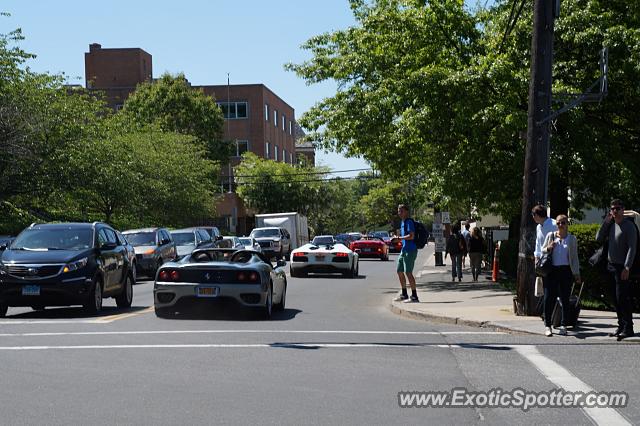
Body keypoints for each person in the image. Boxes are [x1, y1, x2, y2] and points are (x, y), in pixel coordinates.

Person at [596, 199, 638, 341]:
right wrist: (606, 222)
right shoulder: (611, 225)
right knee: (614, 298)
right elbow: (598, 238)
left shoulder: (629, 226)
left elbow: (632, 248)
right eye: (612, 209)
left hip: (622, 267)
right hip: (610, 265)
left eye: (617, 208)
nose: (615, 211)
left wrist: (627, 267)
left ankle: (628, 328)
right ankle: (621, 326)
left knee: (622, 298)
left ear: (623, 209)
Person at [541, 215, 581, 337]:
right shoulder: (551, 236)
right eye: (558, 223)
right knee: (549, 298)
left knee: (565, 298)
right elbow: (542, 249)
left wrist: (577, 273)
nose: (560, 225)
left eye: (563, 223)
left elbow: (574, 258)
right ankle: (548, 325)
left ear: (567, 224)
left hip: (565, 271)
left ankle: (563, 325)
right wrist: (549, 247)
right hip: (552, 271)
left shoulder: (572, 239)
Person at [392, 204, 419, 303]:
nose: (400, 213)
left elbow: (411, 236)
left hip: (410, 250)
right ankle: (404, 294)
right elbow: (404, 237)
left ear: (406, 211)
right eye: (399, 211)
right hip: (404, 250)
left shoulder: (409, 222)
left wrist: (399, 238)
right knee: (399, 271)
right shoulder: (402, 222)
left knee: (408, 272)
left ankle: (414, 296)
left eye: (401, 211)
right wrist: (397, 239)